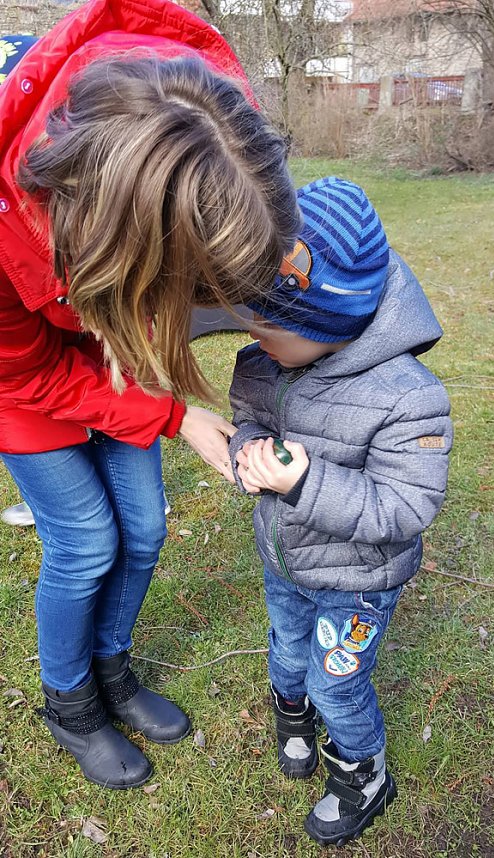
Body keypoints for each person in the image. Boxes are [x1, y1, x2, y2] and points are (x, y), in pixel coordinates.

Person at [0, 0, 300, 790]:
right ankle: (71, 704)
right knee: (86, 542)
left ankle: (112, 669)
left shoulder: (203, 120)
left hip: (112, 345)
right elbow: (27, 374)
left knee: (143, 527)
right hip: (22, 381)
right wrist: (172, 414)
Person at [228, 177, 453, 846]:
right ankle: (292, 715)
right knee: (286, 650)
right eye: (251, 319)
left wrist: (304, 481)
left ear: (328, 318)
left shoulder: (408, 397)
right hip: (284, 560)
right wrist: (247, 451)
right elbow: (248, 420)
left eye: (269, 325)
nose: (254, 334)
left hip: (357, 582)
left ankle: (363, 775)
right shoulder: (263, 363)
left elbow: (405, 506)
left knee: (337, 682)